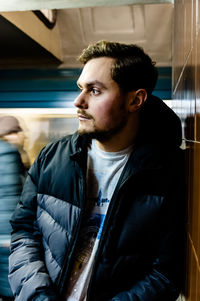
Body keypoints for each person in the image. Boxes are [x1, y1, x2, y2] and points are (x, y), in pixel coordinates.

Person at [8, 41, 185, 301]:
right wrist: (38, 296)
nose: (78, 101)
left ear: (135, 100)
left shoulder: (168, 172)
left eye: (95, 90)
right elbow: (24, 232)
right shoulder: (52, 158)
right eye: (81, 88)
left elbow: (165, 274)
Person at [0, 116, 27, 301]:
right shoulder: (8, 153)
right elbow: (11, 194)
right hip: (6, 233)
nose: (20, 135)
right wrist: (12, 233)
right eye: (15, 131)